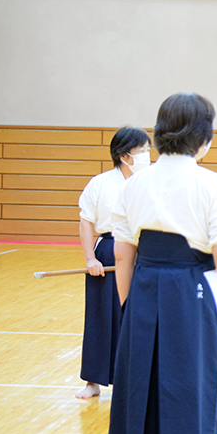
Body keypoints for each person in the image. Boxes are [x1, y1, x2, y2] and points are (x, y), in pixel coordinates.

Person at [107, 92, 217, 434]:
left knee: (137, 399)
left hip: (143, 292)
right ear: (204, 139)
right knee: (192, 399)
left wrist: (132, 309)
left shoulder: (135, 184)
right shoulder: (214, 185)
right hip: (192, 294)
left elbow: (122, 254)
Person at [75, 126, 150, 399]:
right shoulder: (100, 183)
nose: (146, 155)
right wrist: (90, 258)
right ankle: (93, 381)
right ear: (124, 155)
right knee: (100, 315)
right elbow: (86, 221)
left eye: (147, 150)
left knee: (138, 316)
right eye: (141, 150)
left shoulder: (150, 181)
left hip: (144, 249)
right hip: (108, 249)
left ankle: (137, 380)